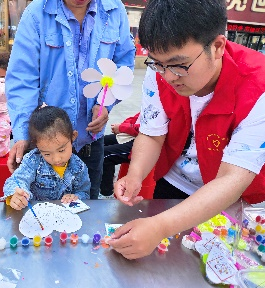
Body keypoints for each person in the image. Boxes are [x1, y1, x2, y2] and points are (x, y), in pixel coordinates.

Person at [108, 0, 265, 260]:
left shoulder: (258, 89)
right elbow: (152, 132)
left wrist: (160, 226)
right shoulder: (160, 70)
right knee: (164, 261)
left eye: (179, 65)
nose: (168, 77)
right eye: (157, 63)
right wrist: (135, 175)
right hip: (174, 183)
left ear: (217, 47)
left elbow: (231, 179)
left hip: (234, 200)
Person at [5, 0, 136, 199]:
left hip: (90, 141)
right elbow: (23, 77)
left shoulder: (114, 10)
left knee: (86, 208)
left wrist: (105, 103)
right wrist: (23, 133)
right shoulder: (36, 13)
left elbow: (123, 63)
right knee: (40, 211)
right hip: (46, 143)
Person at [0, 106, 90, 210]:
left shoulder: (79, 167)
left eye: (61, 150)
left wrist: (77, 197)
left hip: (65, 219)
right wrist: (16, 195)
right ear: (37, 145)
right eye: (47, 154)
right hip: (37, 218)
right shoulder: (33, 161)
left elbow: (84, 193)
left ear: (73, 136)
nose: (56, 159)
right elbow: (16, 180)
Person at [99, 113, 139, 198]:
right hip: (133, 135)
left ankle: (106, 193)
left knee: (104, 155)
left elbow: (145, 129)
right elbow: (137, 118)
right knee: (98, 143)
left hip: (144, 143)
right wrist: (122, 126)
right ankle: (107, 178)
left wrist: (121, 128)